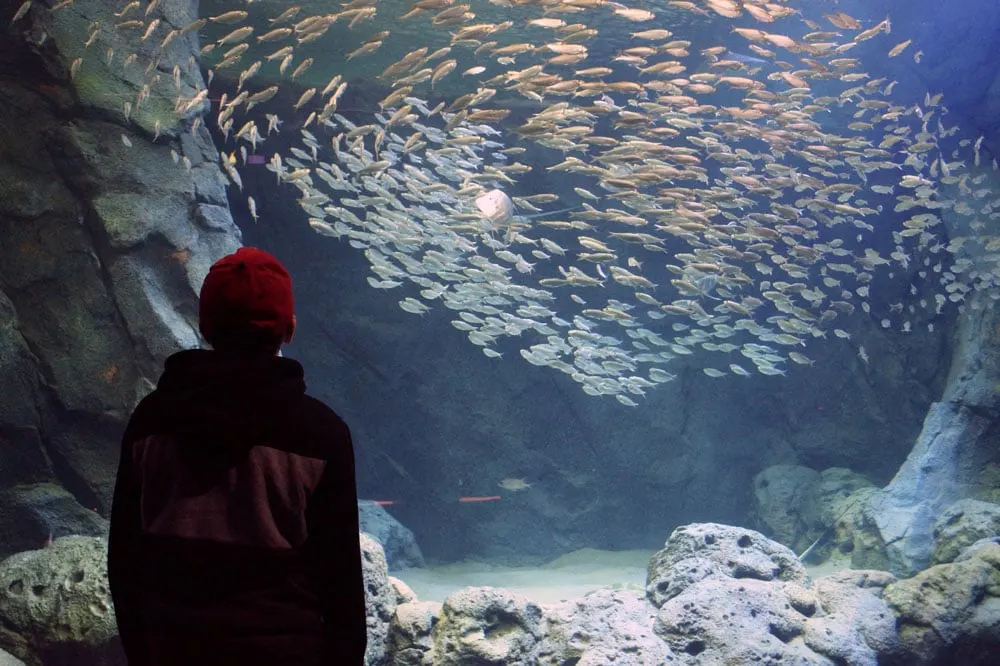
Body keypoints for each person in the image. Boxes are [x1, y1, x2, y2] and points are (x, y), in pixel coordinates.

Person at [108, 247, 367, 666]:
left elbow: (124, 560)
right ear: (290, 329)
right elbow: (341, 583)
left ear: (205, 326)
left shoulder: (151, 421)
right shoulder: (321, 434)